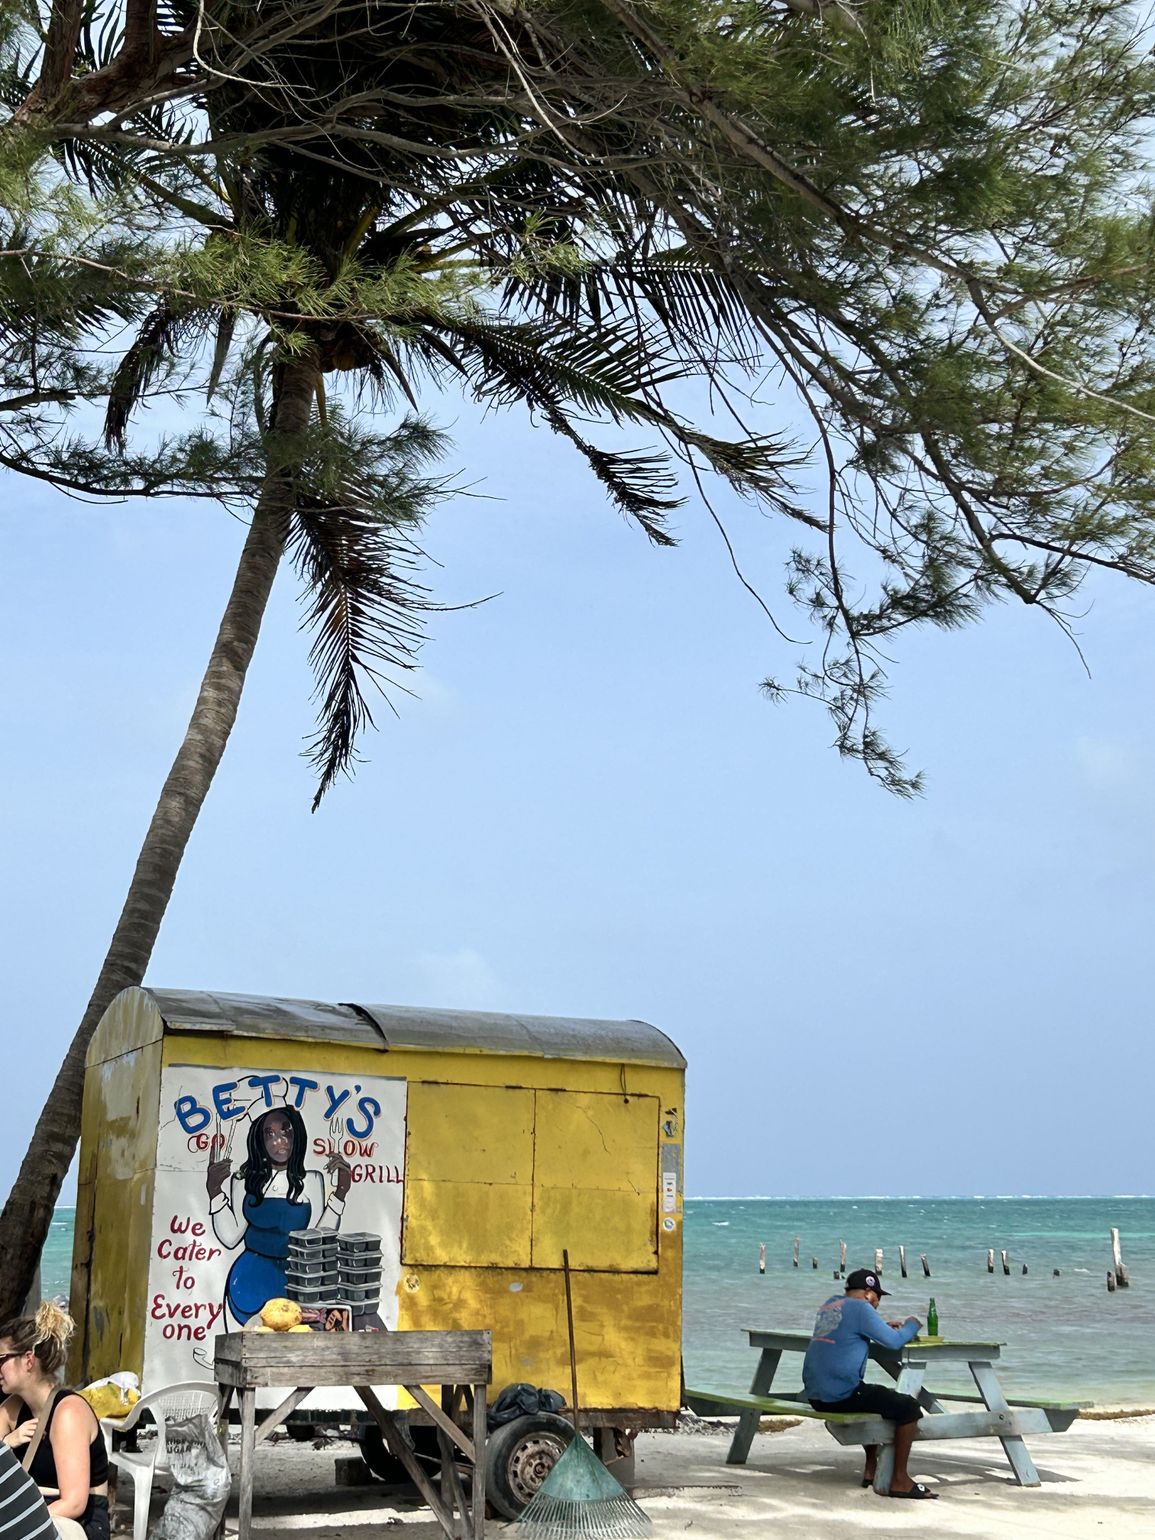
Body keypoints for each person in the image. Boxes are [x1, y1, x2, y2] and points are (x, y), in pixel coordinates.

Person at [207, 1103, 351, 1324]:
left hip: (297, 1282)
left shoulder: (311, 1180)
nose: (279, 1141)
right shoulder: (244, 1180)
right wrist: (215, 1191)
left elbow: (319, 1237)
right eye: (269, 1134)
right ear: (260, 1141)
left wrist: (340, 1193)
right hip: (249, 1282)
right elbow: (230, 1237)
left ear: (297, 1136)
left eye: (286, 1131)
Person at [802, 1268, 937, 1500]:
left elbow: (848, 1329)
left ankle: (870, 1469)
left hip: (814, 1396)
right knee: (908, 1408)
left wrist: (879, 1325)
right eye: (878, 1297)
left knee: (875, 1399)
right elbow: (894, 1342)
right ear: (868, 1293)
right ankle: (900, 1480)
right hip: (840, 1396)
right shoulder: (862, 1308)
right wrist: (912, 1324)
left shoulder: (831, 1304)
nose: (878, 1303)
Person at [0, 1302, 111, 1539]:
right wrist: (8, 1442)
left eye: (2, 1359)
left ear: (28, 1359)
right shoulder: (12, 1408)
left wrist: (21, 1527)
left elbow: (73, 1503)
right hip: (30, 1515)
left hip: (75, 1523)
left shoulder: (69, 1413)